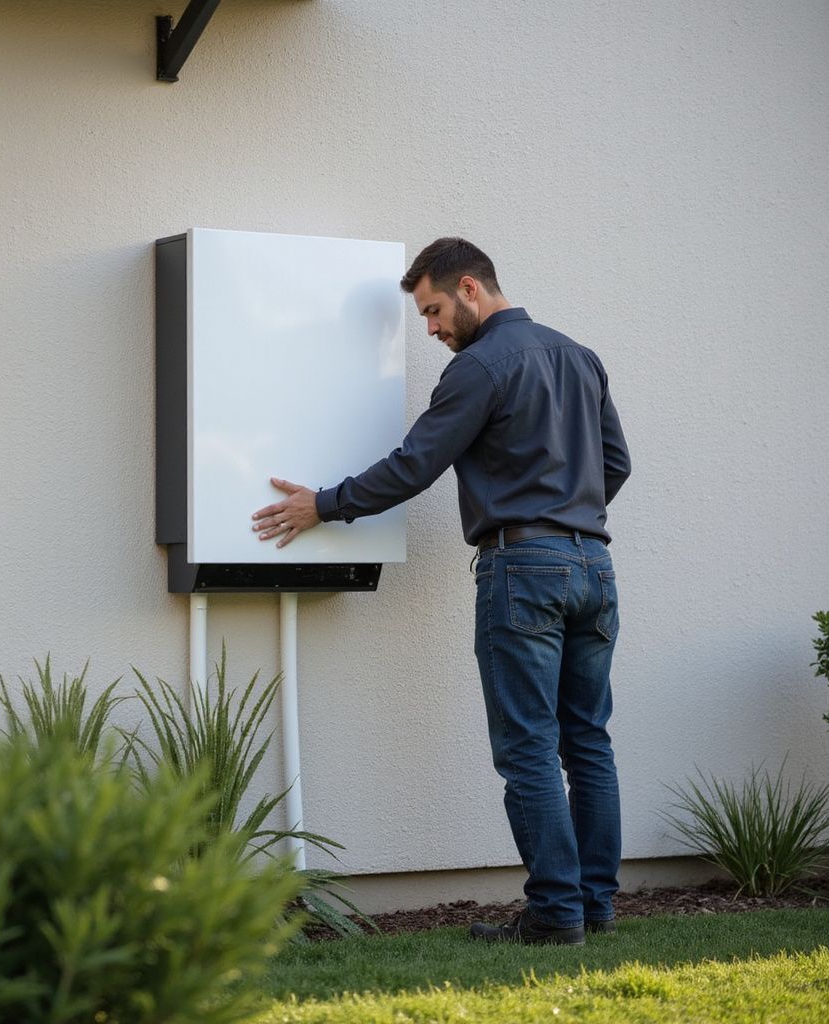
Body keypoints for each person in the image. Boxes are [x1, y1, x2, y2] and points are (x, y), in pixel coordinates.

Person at [251, 237, 631, 946]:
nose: (430, 328)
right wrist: (567, 516)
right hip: (595, 565)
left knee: (528, 747)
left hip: (523, 568)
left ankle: (556, 913)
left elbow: (416, 463)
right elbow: (616, 463)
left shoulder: (481, 367)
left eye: (432, 310)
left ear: (469, 287)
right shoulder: (581, 357)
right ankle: (595, 906)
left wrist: (324, 505)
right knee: (588, 742)